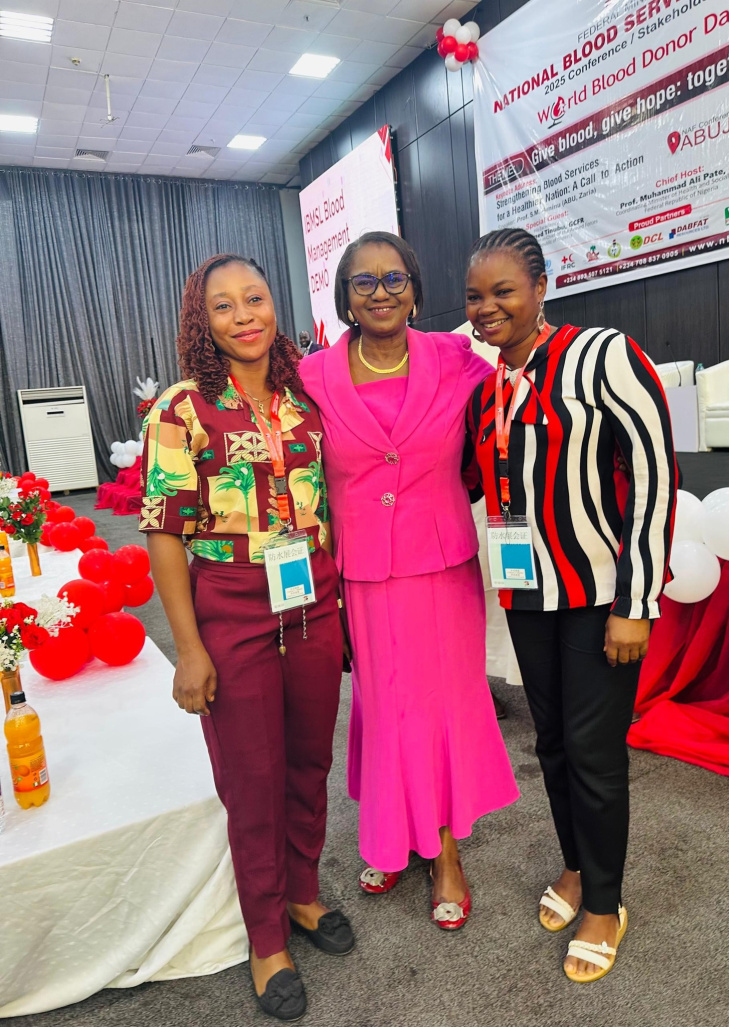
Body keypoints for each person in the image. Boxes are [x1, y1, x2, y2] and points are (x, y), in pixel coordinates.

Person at [140, 254, 353, 1023]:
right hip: (231, 605)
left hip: (313, 600)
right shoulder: (182, 408)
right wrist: (189, 648)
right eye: (224, 305)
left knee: (310, 760)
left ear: (273, 304)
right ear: (203, 320)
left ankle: (302, 892)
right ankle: (266, 936)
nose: (244, 316)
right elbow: (164, 533)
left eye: (255, 298)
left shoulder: (305, 397)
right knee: (252, 775)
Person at [465, 228, 676, 982]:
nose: (486, 308)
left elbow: (655, 473)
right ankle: (580, 867)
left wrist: (636, 600)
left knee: (593, 750)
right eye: (474, 297)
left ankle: (606, 904)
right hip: (528, 593)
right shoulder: (487, 389)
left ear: (541, 287)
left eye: (503, 291)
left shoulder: (601, 354)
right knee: (551, 742)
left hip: (598, 593)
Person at [300, 231, 519, 930]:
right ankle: (393, 833)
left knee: (444, 706)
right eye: (362, 281)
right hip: (364, 572)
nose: (380, 292)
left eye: (394, 278)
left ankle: (445, 849)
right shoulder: (313, 377)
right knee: (385, 705)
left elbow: (512, 420)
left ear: (416, 291)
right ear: (345, 298)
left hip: (443, 566)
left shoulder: (456, 360)